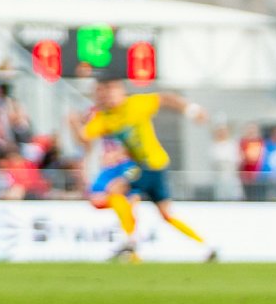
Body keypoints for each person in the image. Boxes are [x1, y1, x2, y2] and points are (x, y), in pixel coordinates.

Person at [82, 78, 217, 262]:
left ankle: (130, 242)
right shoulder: (105, 118)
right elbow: (85, 137)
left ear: (122, 91)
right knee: (166, 214)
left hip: (150, 165)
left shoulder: (136, 104)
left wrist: (191, 109)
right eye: (105, 92)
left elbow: (166, 98)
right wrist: (75, 122)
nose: (108, 96)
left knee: (116, 189)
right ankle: (206, 247)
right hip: (148, 167)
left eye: (112, 90)